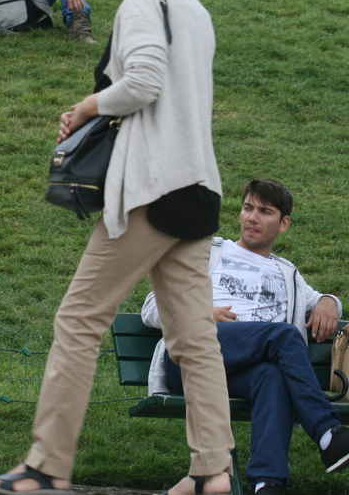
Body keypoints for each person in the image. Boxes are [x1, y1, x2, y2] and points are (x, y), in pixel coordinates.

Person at [0, 0, 235, 495]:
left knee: (78, 320)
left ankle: (45, 468)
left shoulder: (144, 1)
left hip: (152, 190)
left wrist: (89, 102)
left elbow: (143, 80)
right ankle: (212, 472)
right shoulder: (193, 7)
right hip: (198, 188)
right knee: (195, 342)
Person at [142, 178, 349, 494]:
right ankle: (327, 431)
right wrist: (201, 315)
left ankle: (267, 483)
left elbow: (321, 300)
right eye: (248, 208)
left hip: (244, 371)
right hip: (194, 359)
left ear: (284, 224)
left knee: (272, 376)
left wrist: (328, 302)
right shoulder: (209, 254)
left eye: (264, 211)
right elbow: (152, 307)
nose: (252, 217)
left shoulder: (287, 273)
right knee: (282, 337)